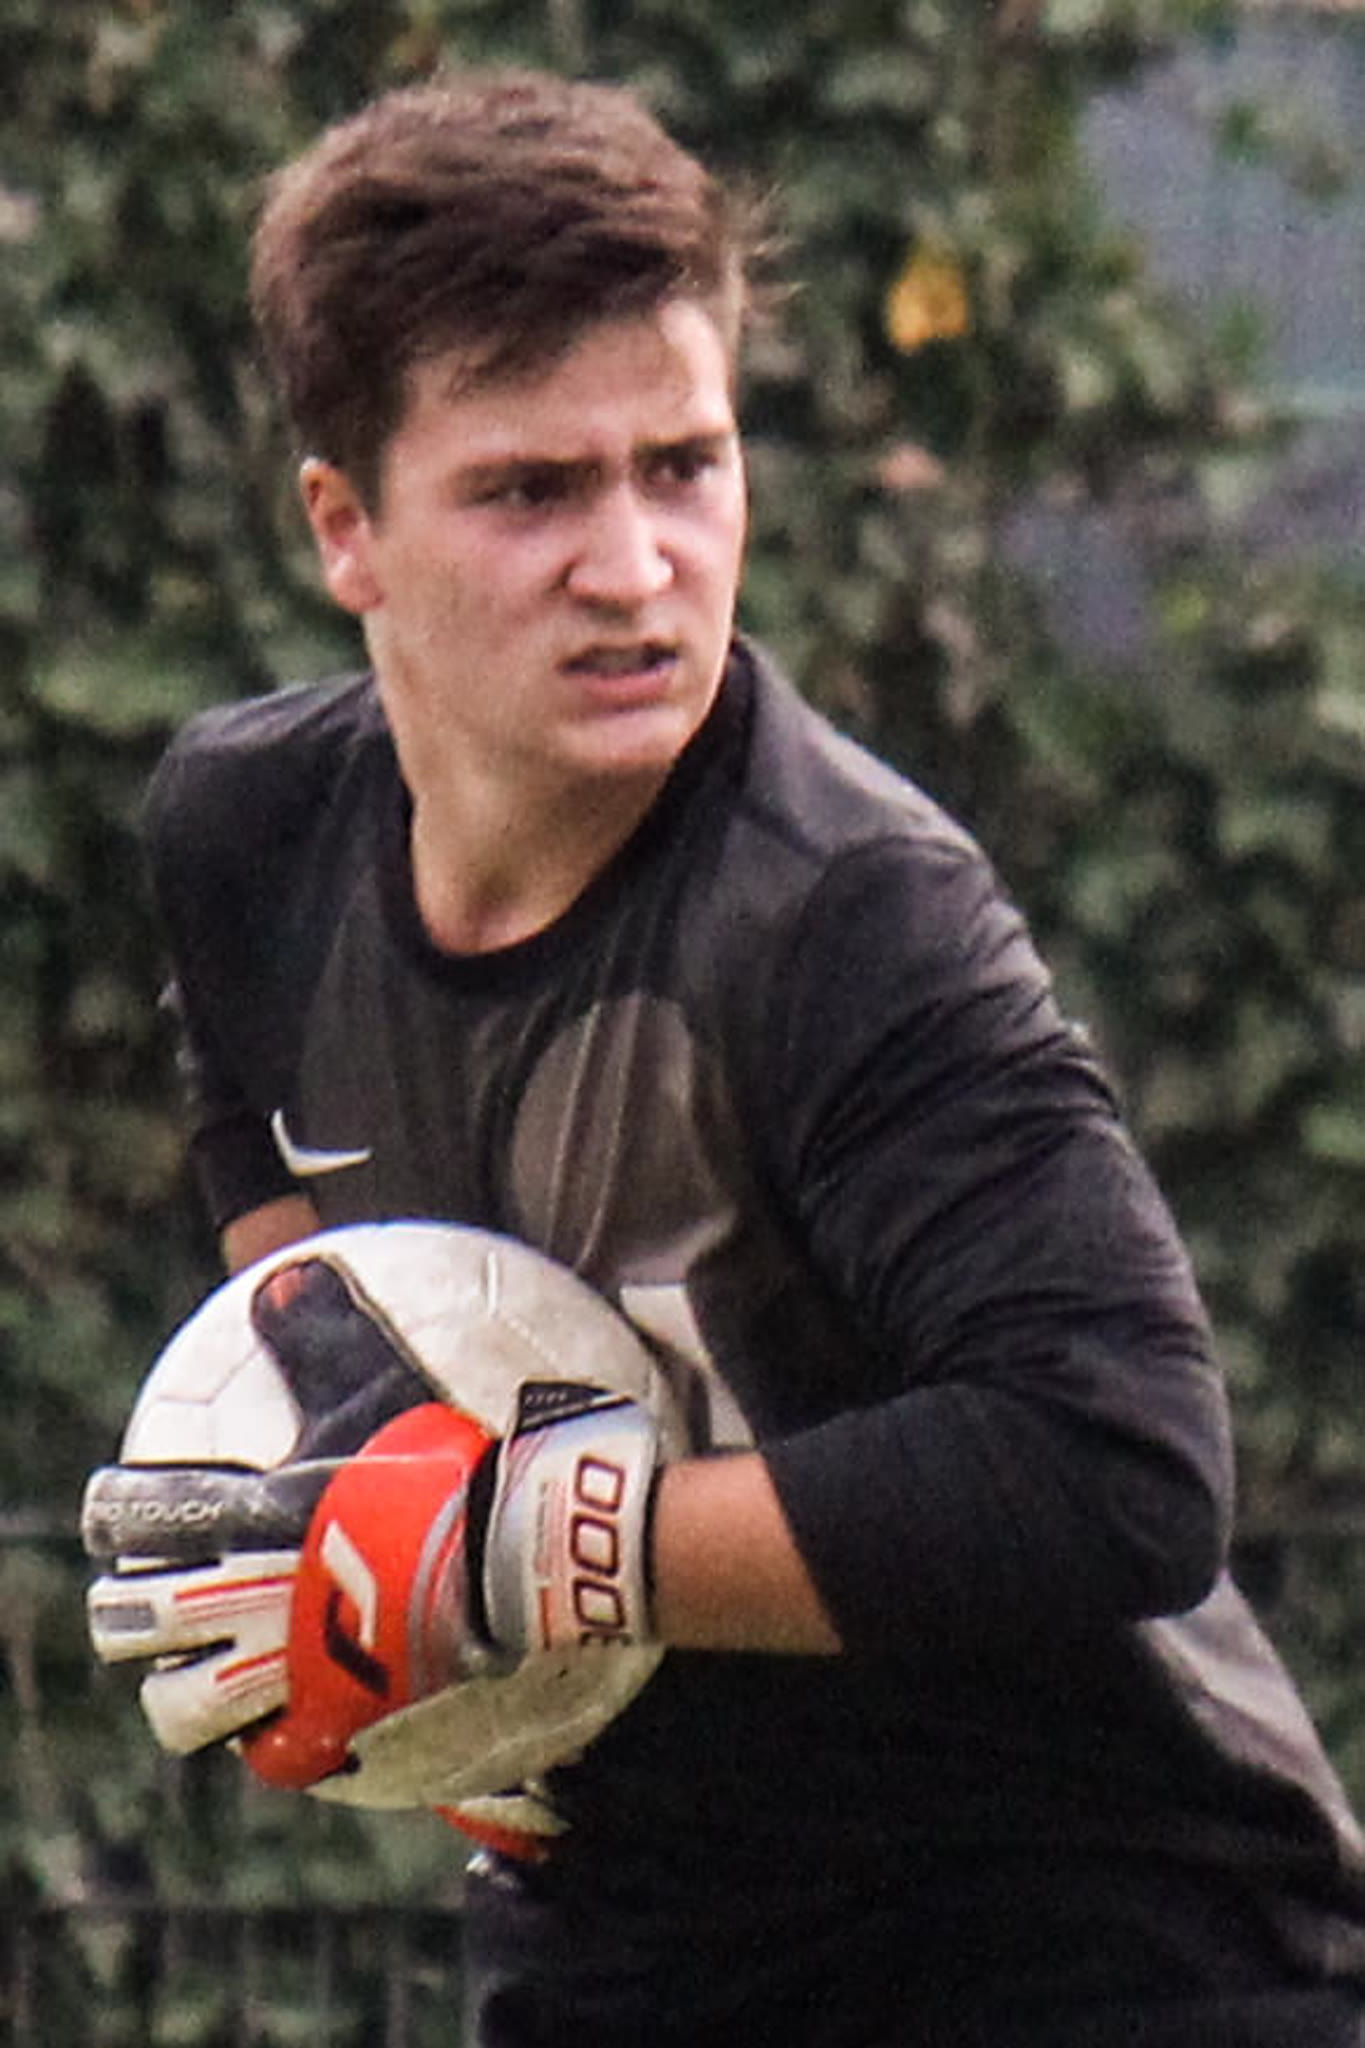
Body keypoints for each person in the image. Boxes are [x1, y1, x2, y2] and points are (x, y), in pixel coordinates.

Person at [122, 65, 1365, 2046]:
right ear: (345, 528)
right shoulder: (246, 835)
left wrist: (512, 1545)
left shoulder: (843, 910)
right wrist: (323, 1465)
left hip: (1094, 1938)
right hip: (632, 1924)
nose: (634, 566)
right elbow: (247, 1129)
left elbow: (1115, 1461)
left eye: (683, 465)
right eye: (531, 491)